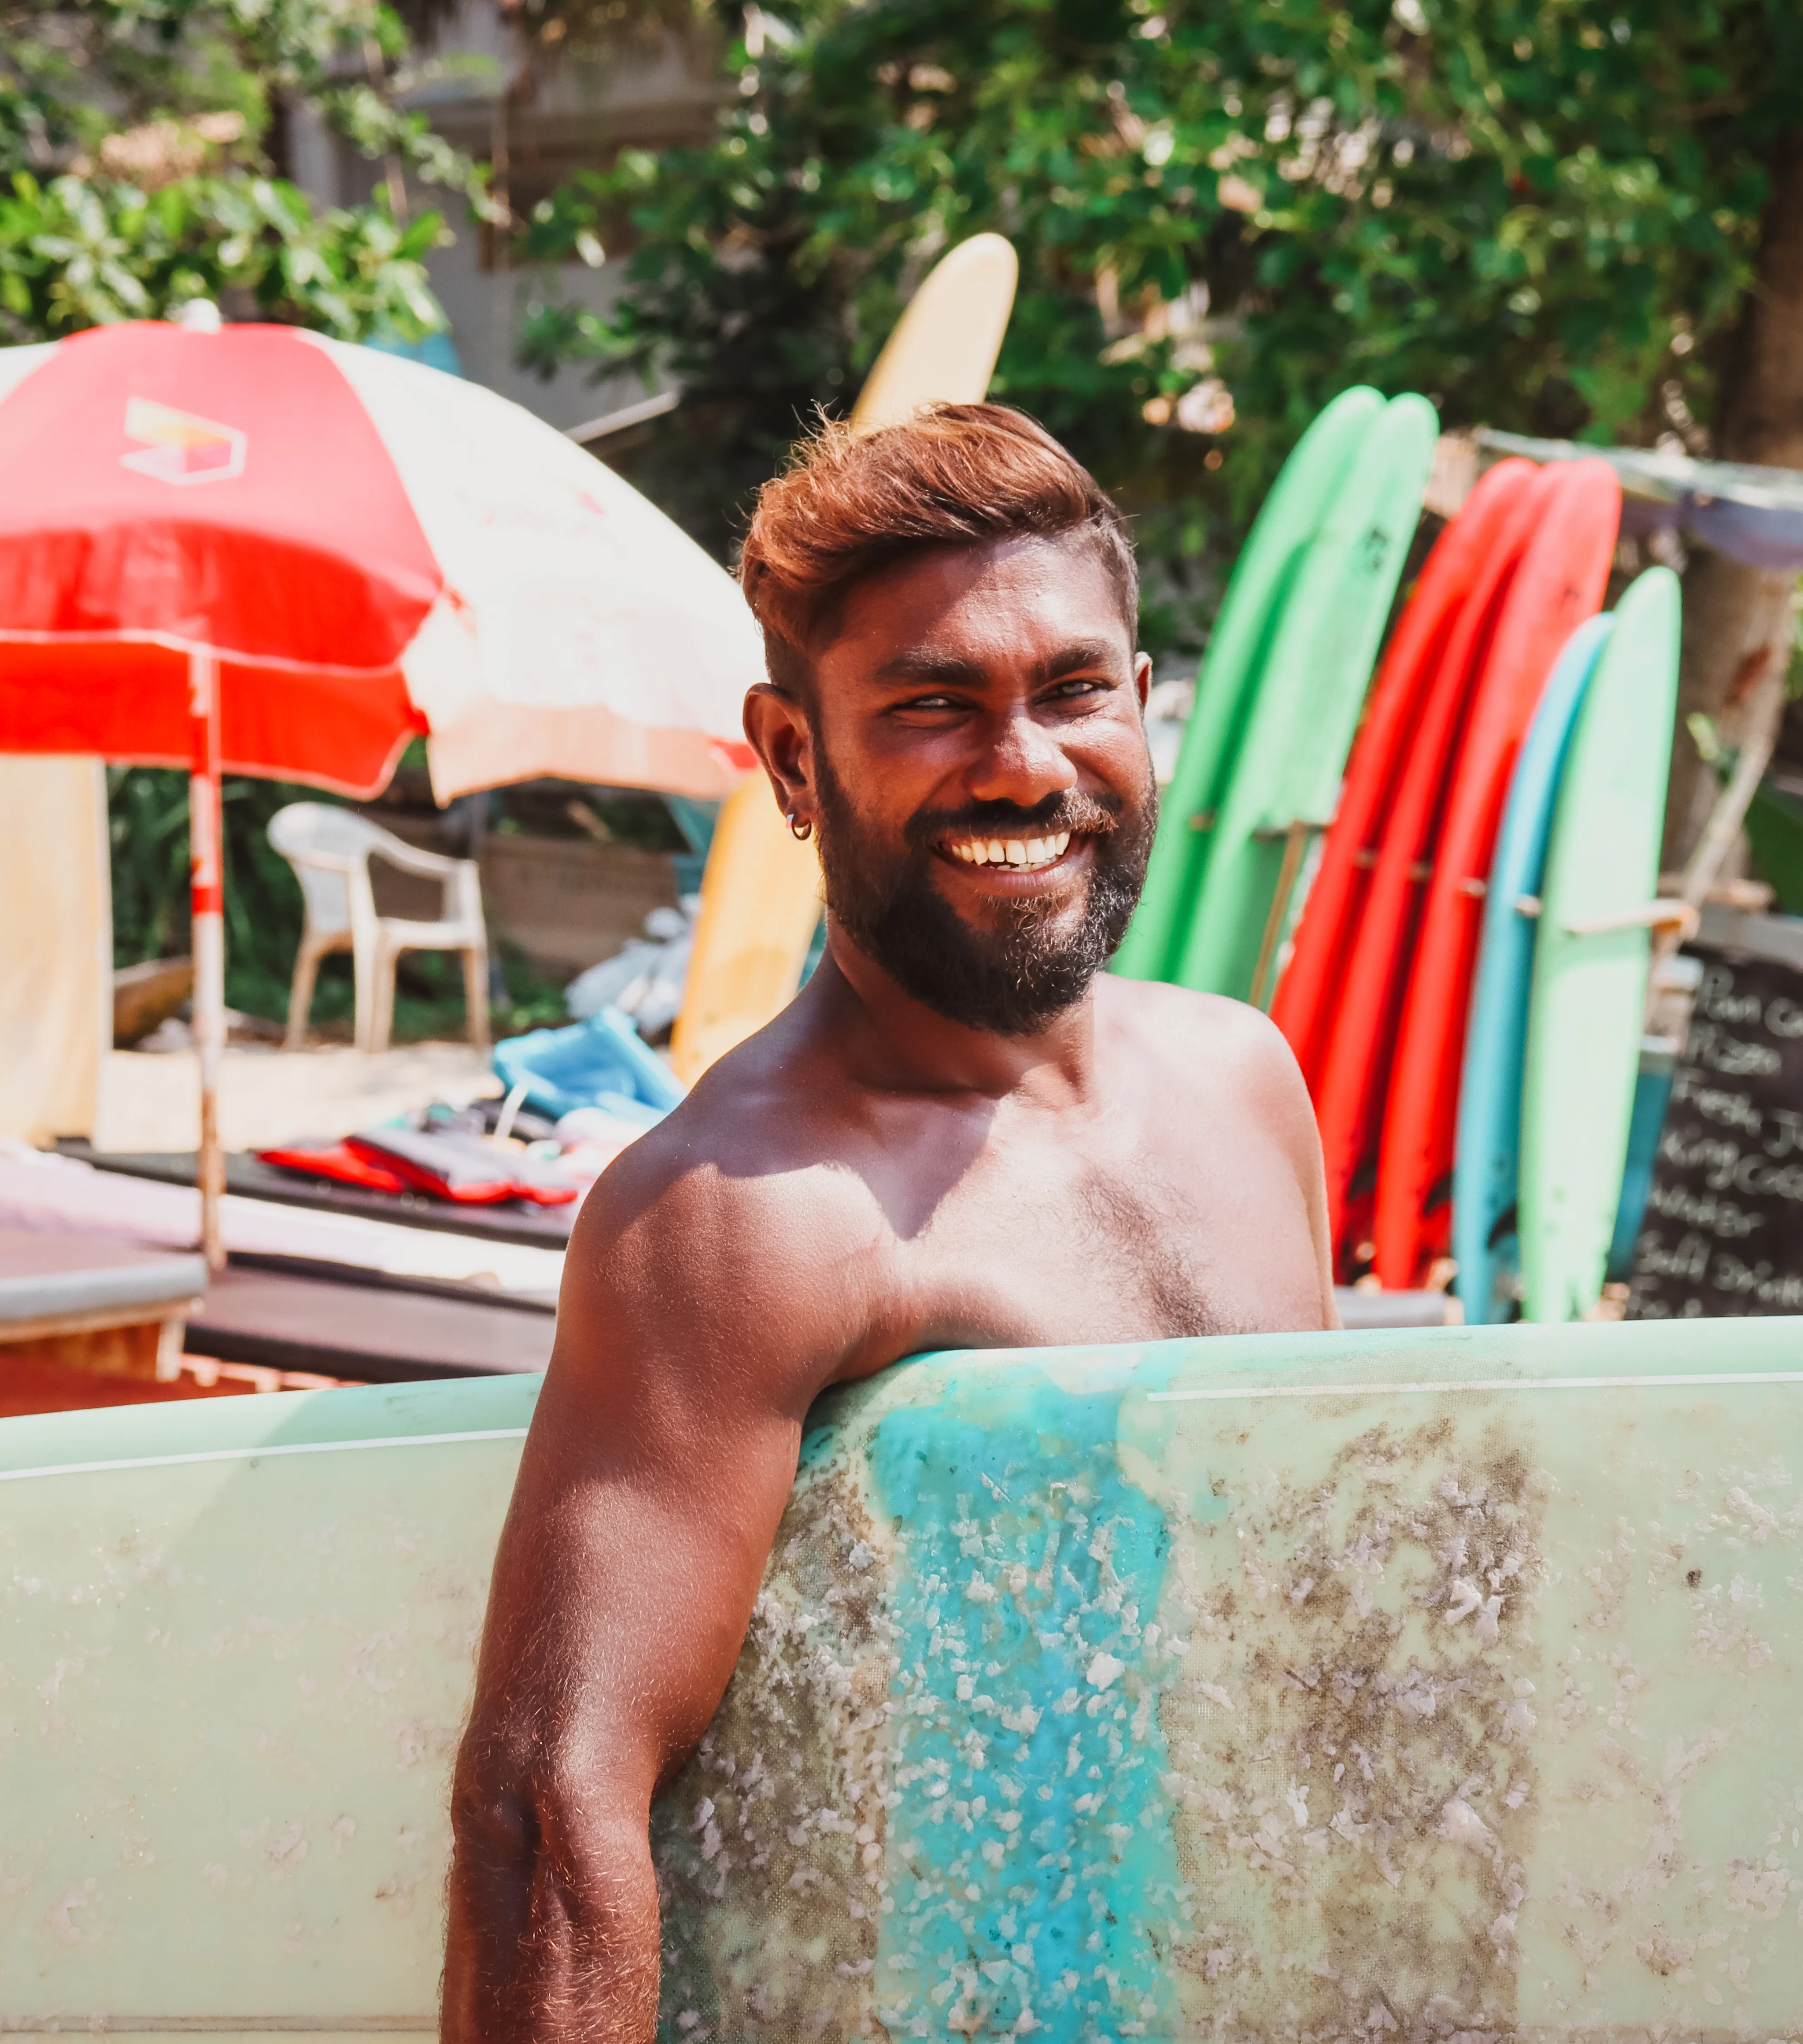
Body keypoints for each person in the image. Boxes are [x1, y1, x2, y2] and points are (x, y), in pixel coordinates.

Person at [441, 403, 1337, 2041]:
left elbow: (1309, 1605)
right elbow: (550, 1811)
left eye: (1074, 691)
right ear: (793, 756)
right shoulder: (739, 1218)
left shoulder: (1247, 1082)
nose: (1023, 764)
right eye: (935, 706)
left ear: (1143, 707)